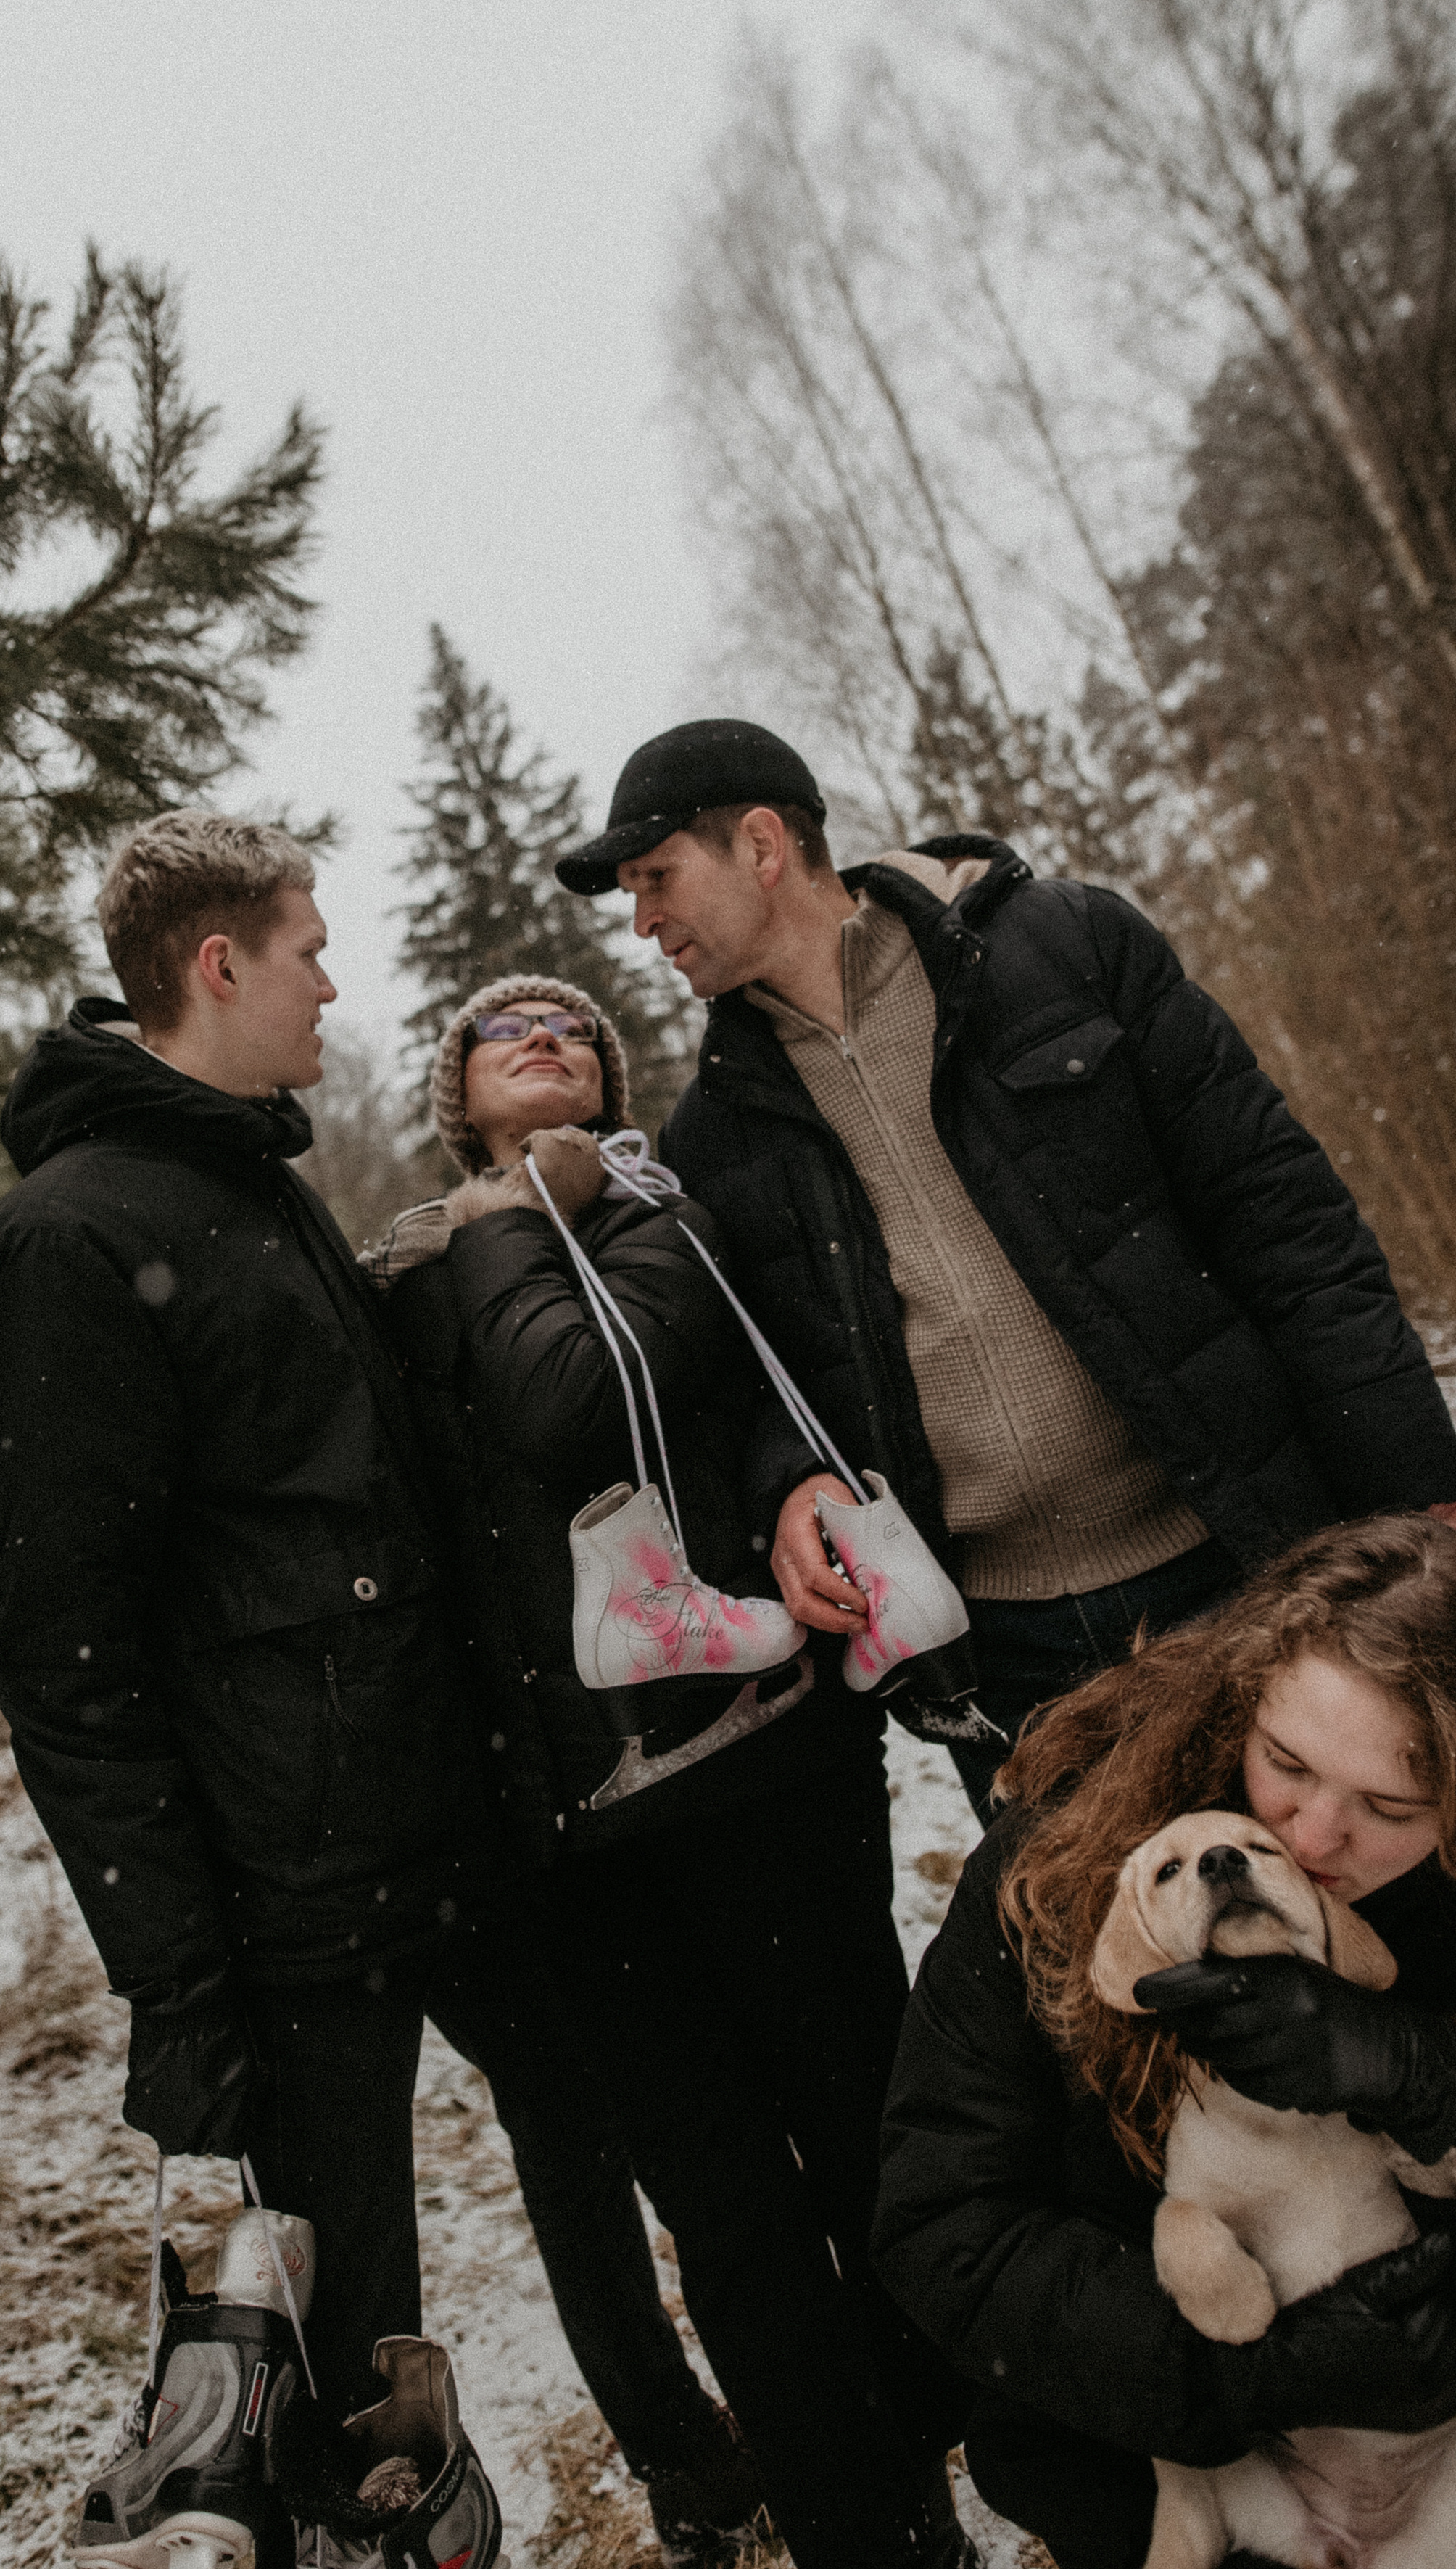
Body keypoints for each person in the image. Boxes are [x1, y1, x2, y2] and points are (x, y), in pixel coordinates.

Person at [0, 815, 720, 2569]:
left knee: (626, 2136)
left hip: (452, 1830)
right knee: (343, 2374)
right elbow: (68, 1658)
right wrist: (179, 1989)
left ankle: (705, 2461)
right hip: (297, 1906)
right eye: (308, 946)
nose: (333, 978)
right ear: (217, 965)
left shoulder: (254, 1184)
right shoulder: (69, 1235)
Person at [554, 718, 1456, 1817]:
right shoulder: (714, 1132)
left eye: (658, 877)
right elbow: (762, 1381)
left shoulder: (1067, 951)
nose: (643, 922)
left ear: (760, 845)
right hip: (1000, 1653)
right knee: (1099, 1975)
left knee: (1334, 1913)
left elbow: (1286, 1226)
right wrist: (791, 1482)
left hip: (1241, 1567)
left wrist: (1418, 1494)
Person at [368, 970, 977, 2569]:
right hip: (574, 1841)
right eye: (502, 1030)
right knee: (725, 2208)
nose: (542, 1038)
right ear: (453, 1094)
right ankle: (861, 2529)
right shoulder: (404, 1281)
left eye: (571, 1028)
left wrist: (521, 1208)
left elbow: (582, 1403)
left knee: (861, 2128)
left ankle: (935, 2456)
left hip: (765, 1768)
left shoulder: (662, 1213)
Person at [869, 1512, 1456, 2569]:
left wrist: (1419, 2072)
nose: (1316, 1837)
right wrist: (1248, 2375)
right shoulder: (1062, 1864)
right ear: (1244, 1701)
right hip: (1148, 2459)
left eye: (1392, 1806)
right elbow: (945, 2226)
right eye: (1287, 1762)